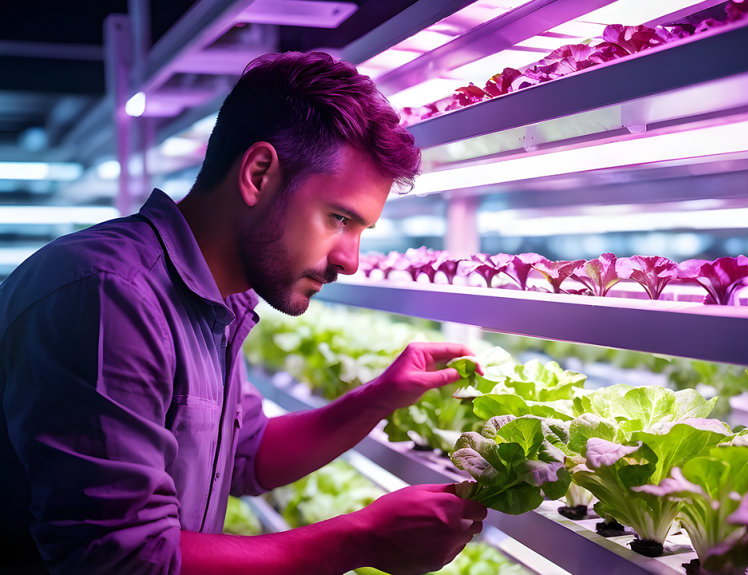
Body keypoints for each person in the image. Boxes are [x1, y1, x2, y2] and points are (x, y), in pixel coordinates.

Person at [0, 51, 486, 575]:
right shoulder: (110, 296)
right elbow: (125, 559)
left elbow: (247, 456)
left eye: (362, 230)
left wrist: (379, 398)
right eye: (339, 218)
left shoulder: (219, 298)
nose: (350, 258)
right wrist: (358, 540)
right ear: (258, 174)